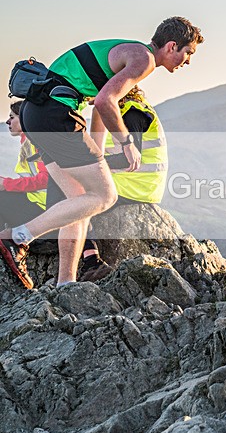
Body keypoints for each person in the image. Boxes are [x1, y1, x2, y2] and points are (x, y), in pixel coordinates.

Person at [0, 17, 202, 288]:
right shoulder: (144, 59)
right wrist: (127, 143)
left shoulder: (130, 51)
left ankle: (66, 282)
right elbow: (107, 101)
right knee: (106, 196)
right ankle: (17, 237)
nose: (188, 61)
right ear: (172, 46)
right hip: (56, 112)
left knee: (79, 200)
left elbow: (99, 105)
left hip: (36, 114)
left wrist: (93, 154)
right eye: (188, 53)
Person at [46, 85, 169, 282]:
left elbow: (130, 160)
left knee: (79, 198)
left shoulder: (131, 111)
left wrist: (85, 165)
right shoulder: (112, 112)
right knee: (68, 184)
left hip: (137, 184)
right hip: (125, 180)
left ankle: (91, 261)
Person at [0, 101, 46, 288]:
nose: (7, 122)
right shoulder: (27, 141)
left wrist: (7, 184)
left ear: (25, 118)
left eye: (12, 117)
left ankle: (16, 248)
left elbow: (46, 180)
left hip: (44, 212)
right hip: (35, 205)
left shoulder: (35, 142)